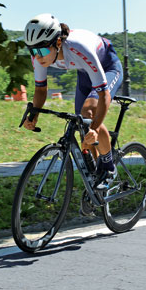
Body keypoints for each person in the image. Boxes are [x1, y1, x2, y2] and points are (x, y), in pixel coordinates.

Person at [22, 13, 123, 212]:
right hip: (86, 72)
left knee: (88, 114)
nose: (38, 56)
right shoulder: (39, 57)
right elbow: (41, 89)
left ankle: (109, 167)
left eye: (42, 49)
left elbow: (103, 96)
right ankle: (96, 179)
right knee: (81, 125)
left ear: (58, 42)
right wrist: (33, 115)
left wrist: (94, 127)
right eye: (32, 51)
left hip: (108, 66)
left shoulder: (78, 48)